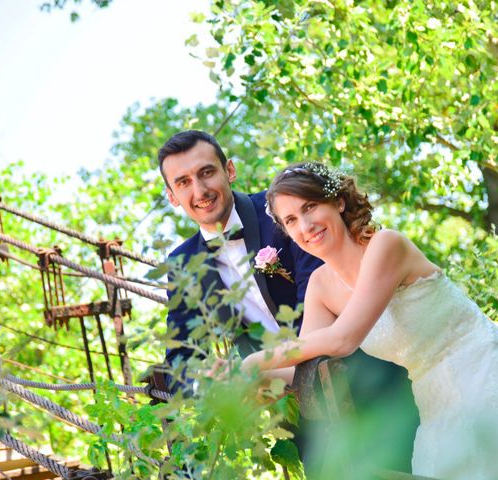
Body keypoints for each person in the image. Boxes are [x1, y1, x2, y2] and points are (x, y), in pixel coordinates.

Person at [241, 162, 498, 479]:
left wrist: (259, 358)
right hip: (436, 404)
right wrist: (245, 378)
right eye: (291, 220)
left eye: (310, 207)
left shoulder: (386, 245)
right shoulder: (321, 284)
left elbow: (342, 340)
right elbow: (310, 364)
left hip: (487, 373)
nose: (305, 225)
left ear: (337, 201)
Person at [159, 131, 419, 472]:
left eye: (207, 172)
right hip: (294, 406)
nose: (200, 190)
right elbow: (182, 352)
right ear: (172, 196)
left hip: (362, 378)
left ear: (230, 171)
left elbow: (321, 296)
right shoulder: (182, 264)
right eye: (183, 182)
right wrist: (207, 387)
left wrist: (255, 368)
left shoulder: (284, 214)